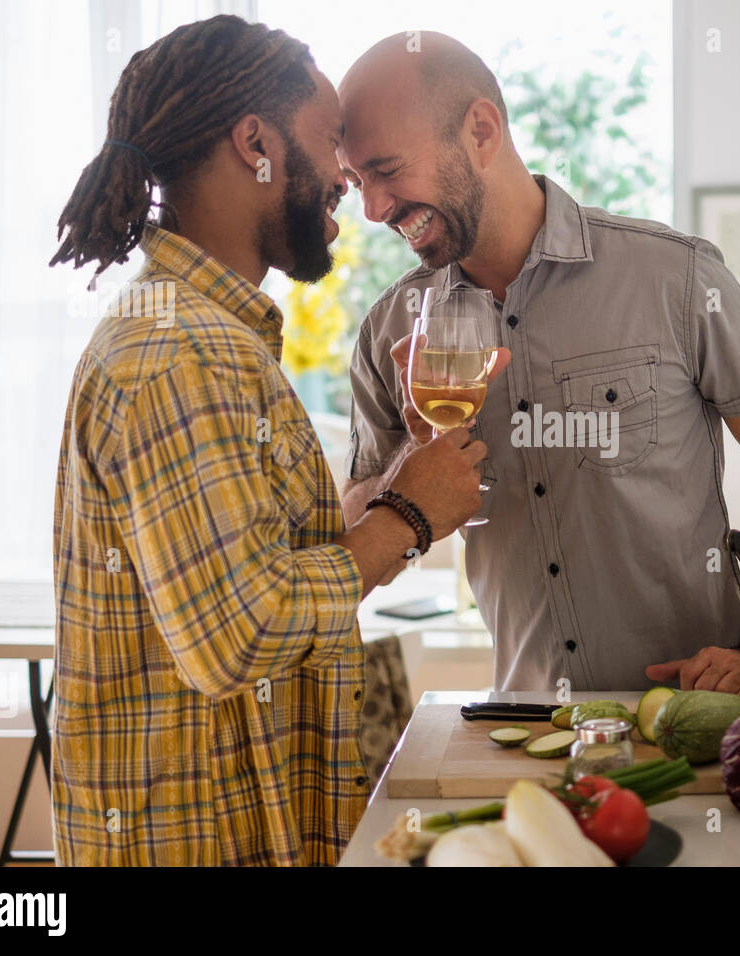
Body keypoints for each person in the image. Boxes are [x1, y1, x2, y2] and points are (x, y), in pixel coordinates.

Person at [48, 15, 489, 865]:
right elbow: (239, 634)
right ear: (255, 143)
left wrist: (403, 472)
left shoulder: (208, 336)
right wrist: (408, 514)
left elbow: (266, 575)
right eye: (333, 147)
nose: (350, 186)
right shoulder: (177, 353)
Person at [337, 33, 740, 700]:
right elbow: (361, 538)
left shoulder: (676, 277)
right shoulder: (390, 331)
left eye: (387, 170)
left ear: (482, 131)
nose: (372, 209)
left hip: (698, 720)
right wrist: (413, 472)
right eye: (356, 182)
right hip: (525, 726)